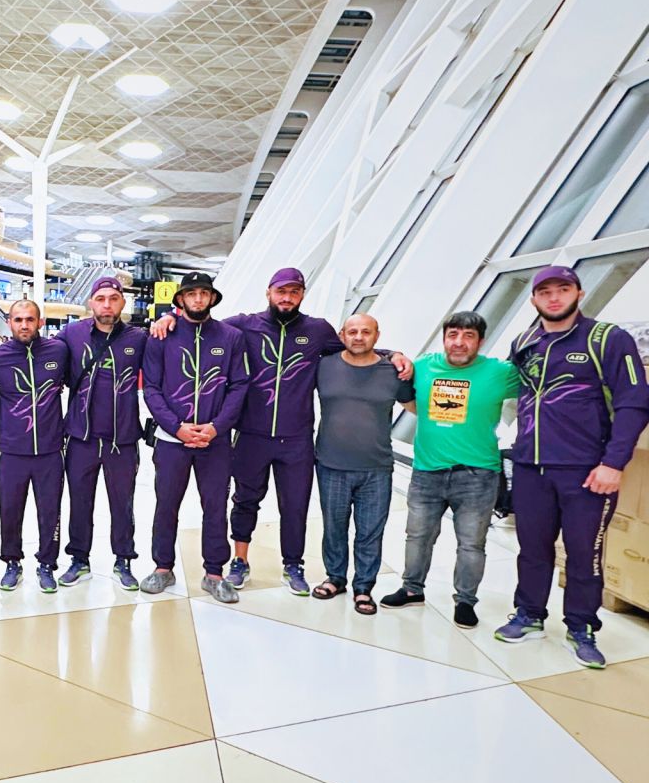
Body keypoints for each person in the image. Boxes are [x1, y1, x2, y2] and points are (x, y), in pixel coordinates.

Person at [150, 267, 409, 595]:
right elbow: (201, 325)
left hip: (296, 438)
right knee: (244, 500)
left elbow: (355, 347)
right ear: (269, 293)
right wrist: (169, 318)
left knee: (295, 505)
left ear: (302, 295)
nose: (287, 298)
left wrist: (392, 354)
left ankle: (293, 564)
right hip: (251, 435)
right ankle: (239, 561)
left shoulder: (317, 330)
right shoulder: (244, 325)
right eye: (281, 291)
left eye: (294, 292)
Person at [497, 267, 649, 667]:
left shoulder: (607, 339)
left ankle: (581, 627)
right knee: (532, 548)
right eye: (544, 291)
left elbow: (635, 403)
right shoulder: (524, 342)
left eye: (562, 289)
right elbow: (509, 388)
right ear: (533, 299)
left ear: (578, 293)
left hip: (586, 471)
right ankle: (529, 613)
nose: (553, 298)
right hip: (530, 467)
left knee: (584, 553)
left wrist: (613, 464)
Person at [376, 311, 515, 626]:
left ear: (481, 341)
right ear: (444, 338)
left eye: (468, 336)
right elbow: (393, 370)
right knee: (417, 536)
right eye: (453, 335)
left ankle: (465, 600)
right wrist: (396, 355)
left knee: (471, 543)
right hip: (427, 471)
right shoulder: (424, 366)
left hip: (478, 475)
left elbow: (543, 383)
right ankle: (412, 589)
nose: (459, 342)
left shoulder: (499, 372)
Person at [141, 272, 248, 603]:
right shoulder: (161, 336)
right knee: (166, 505)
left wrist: (216, 427)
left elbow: (239, 385)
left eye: (204, 293)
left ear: (212, 298)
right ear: (180, 300)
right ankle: (163, 567)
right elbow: (152, 388)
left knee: (215, 506)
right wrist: (177, 427)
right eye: (191, 294)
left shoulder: (231, 337)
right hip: (172, 440)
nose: (198, 299)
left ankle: (214, 573)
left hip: (215, 441)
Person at [309, 314, 415, 615]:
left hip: (376, 468)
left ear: (376, 336)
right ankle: (336, 577)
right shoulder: (324, 366)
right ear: (342, 335)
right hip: (331, 464)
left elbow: (414, 406)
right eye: (352, 331)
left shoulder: (393, 371)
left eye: (365, 332)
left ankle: (364, 587)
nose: (358, 337)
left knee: (370, 532)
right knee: (334, 527)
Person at [56, 276, 148, 588]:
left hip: (122, 440)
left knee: (122, 504)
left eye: (113, 298)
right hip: (81, 437)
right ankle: (79, 559)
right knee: (80, 502)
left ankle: (124, 559)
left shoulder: (139, 338)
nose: (107, 305)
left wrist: (169, 320)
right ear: (90, 303)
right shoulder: (72, 334)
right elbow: (44, 355)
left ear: (123, 302)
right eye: (100, 299)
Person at [0, 300, 69, 592]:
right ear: (9, 322)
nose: (24, 325)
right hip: (12, 451)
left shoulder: (58, 351)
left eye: (30, 319)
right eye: (18, 319)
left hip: (50, 451)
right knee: (10, 510)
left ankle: (47, 563)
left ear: (40, 322)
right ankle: (11, 561)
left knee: (50, 511)